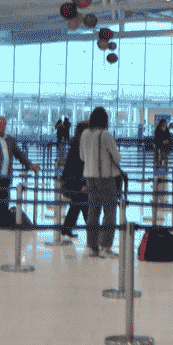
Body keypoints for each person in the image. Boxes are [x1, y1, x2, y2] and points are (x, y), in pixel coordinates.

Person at [81, 106, 122, 258]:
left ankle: (92, 247)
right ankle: (106, 246)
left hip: (90, 178)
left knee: (93, 213)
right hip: (106, 179)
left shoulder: (85, 134)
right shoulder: (105, 135)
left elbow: (82, 157)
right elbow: (117, 158)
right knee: (109, 212)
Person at [57, 121, 89, 239]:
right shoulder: (79, 146)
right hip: (74, 182)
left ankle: (66, 230)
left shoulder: (76, 143)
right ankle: (93, 232)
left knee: (77, 205)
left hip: (71, 181)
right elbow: (77, 168)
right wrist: (83, 183)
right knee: (83, 204)